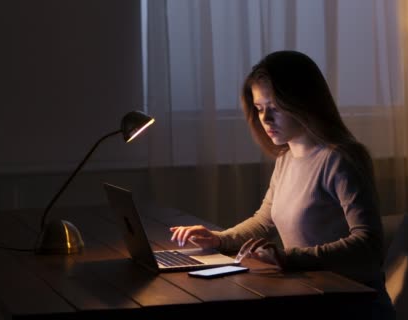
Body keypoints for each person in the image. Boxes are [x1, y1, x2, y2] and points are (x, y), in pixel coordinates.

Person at [169, 50, 395, 319]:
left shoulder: (341, 159)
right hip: (307, 293)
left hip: (351, 305)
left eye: (274, 108)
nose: (265, 119)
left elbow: (368, 247)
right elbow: (265, 220)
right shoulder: (286, 159)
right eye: (260, 108)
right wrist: (218, 239)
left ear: (304, 102)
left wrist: (286, 258)